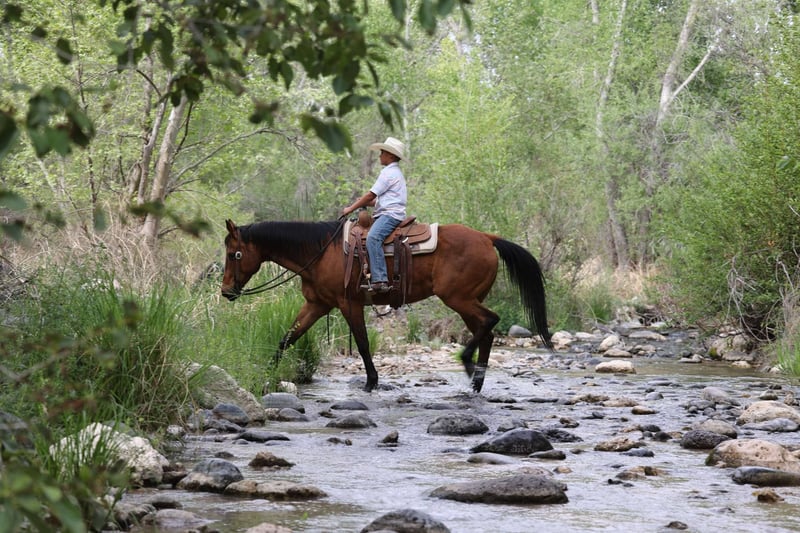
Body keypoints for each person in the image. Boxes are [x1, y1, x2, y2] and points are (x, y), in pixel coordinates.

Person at [341, 137, 407, 293]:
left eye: (382, 152)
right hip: (391, 212)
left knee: (373, 238)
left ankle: (380, 279)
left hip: (390, 215)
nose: (380, 155)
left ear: (390, 155)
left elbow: (371, 195)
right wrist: (365, 202)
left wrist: (350, 208)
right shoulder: (395, 172)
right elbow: (381, 200)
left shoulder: (388, 173)